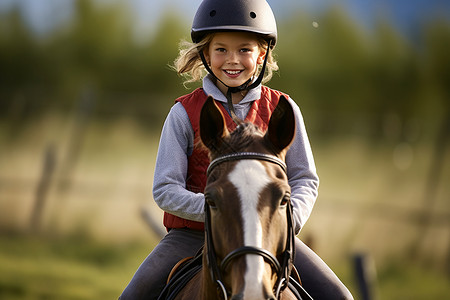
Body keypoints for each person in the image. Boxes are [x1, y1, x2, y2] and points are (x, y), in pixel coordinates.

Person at [120, 0, 353, 299]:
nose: (232, 60)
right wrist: (220, 212)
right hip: (192, 236)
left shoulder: (284, 110)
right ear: (206, 54)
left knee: (339, 296)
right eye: (221, 50)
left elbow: (305, 178)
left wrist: (284, 219)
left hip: (268, 234)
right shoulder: (182, 113)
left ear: (262, 54)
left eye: (244, 49)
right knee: (132, 296)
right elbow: (165, 188)